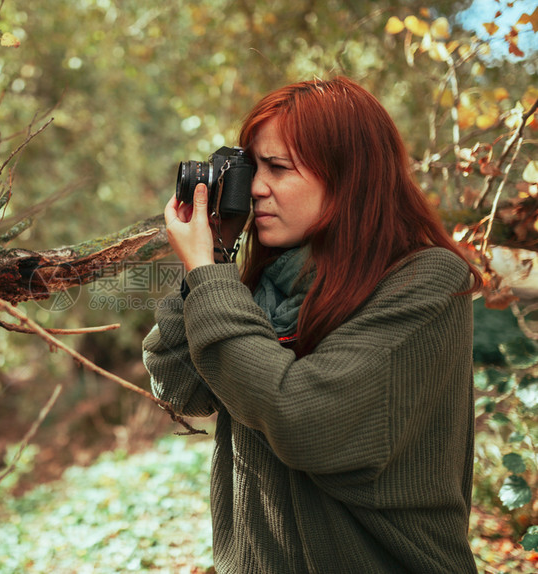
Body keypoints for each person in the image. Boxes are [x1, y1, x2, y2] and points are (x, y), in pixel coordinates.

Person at [143, 76, 482, 573]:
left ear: (350, 178)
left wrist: (210, 279)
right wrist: (212, 257)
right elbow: (178, 386)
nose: (257, 187)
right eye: (252, 168)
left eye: (278, 168)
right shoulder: (262, 283)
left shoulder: (426, 282)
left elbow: (303, 417)